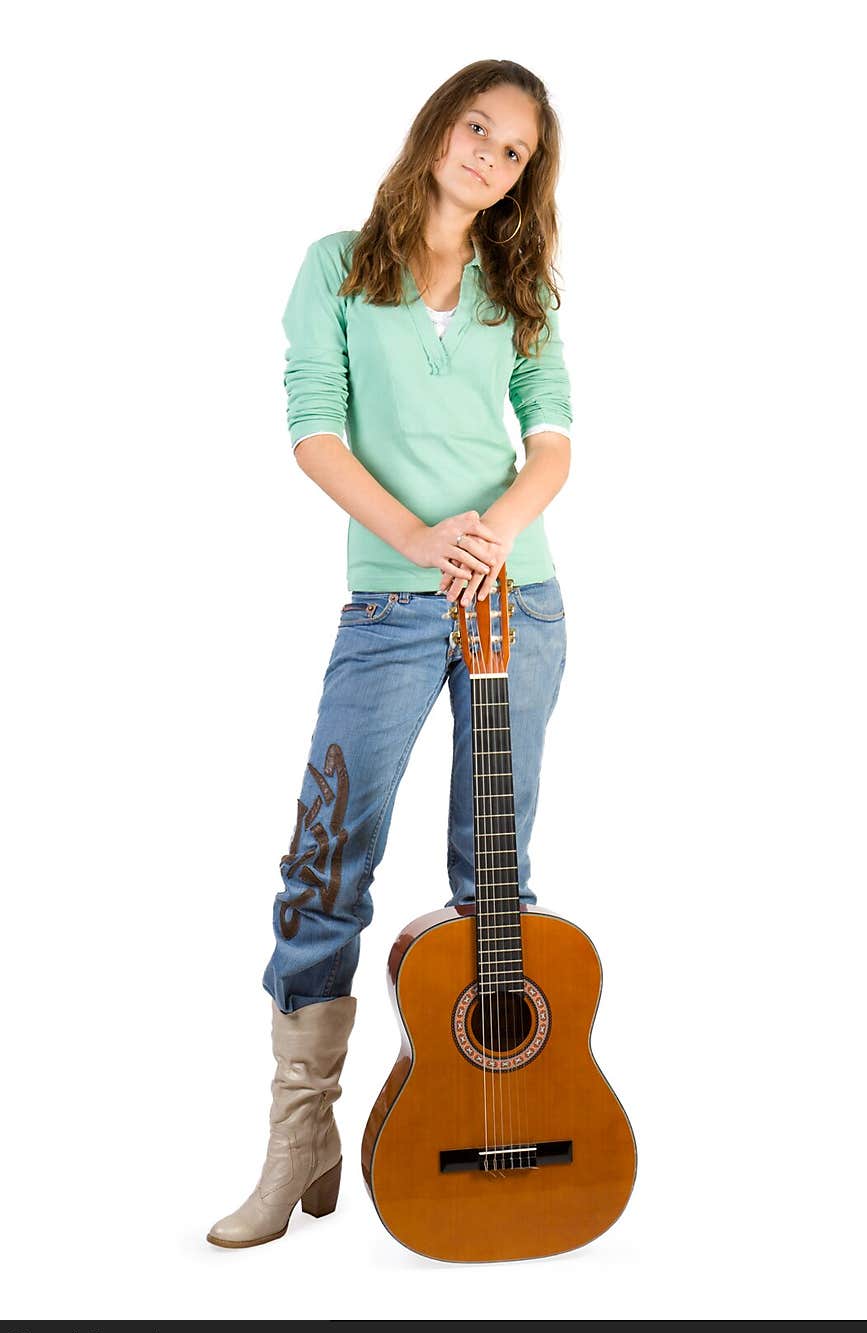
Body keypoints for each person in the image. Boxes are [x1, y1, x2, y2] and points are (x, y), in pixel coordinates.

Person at [207, 58, 573, 1249]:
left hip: (514, 599)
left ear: (524, 176)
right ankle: (300, 1133)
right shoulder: (337, 264)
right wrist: (420, 538)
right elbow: (312, 425)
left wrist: (493, 538)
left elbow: (553, 439)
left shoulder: (521, 281)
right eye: (479, 127)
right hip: (389, 606)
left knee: (493, 878)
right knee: (325, 863)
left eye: (514, 150)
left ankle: (486, 1118)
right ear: (438, 127)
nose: (489, 155)